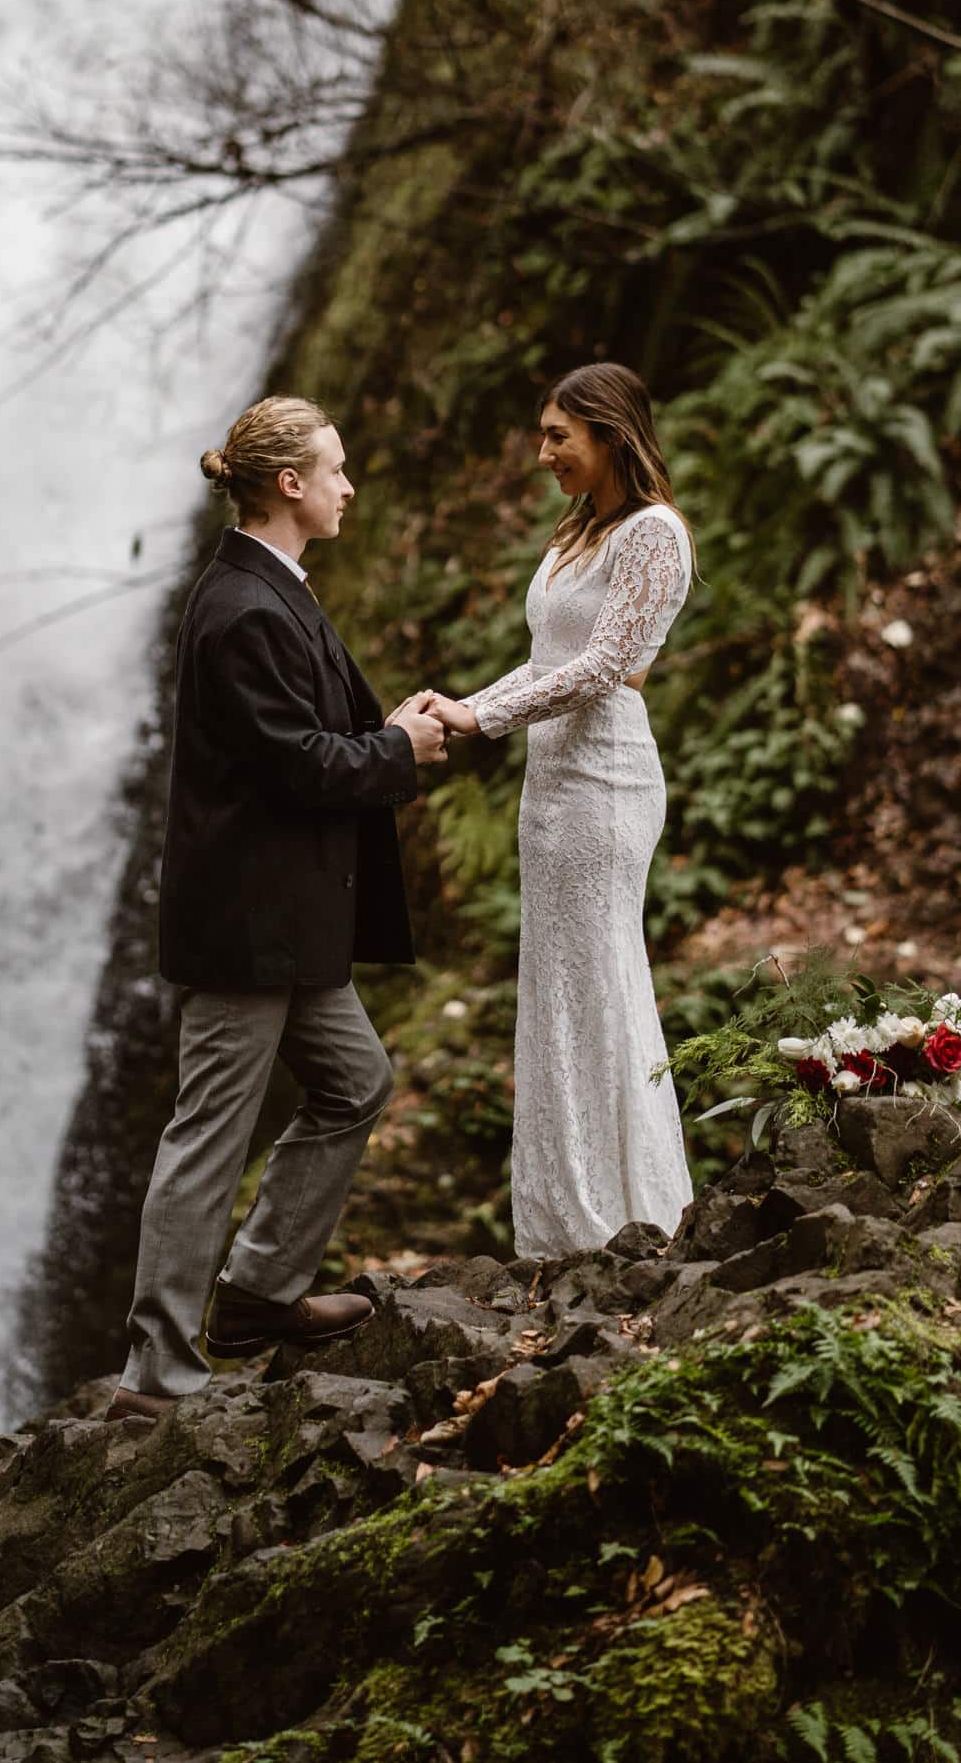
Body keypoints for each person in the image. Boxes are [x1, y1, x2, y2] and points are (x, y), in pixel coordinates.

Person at [107, 395, 446, 1421]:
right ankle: (155, 1376)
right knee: (209, 1133)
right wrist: (396, 752)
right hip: (249, 928)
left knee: (355, 1081)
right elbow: (295, 764)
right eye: (336, 469)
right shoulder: (243, 605)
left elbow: (305, 733)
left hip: (289, 923)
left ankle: (255, 1296)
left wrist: (387, 730)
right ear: (289, 485)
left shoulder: (269, 586)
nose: (351, 486)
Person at [427, 362, 696, 1259]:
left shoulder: (653, 534)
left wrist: (482, 717)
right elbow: (549, 661)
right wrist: (461, 706)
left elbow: (605, 668)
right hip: (551, 787)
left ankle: (632, 1210)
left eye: (557, 436)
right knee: (556, 988)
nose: (542, 454)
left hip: (607, 785)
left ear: (611, 433)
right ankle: (561, 1220)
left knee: (602, 979)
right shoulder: (579, 531)